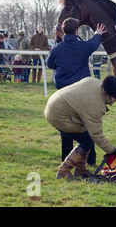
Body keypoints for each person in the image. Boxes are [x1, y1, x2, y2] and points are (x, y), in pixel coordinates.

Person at [44, 76, 116, 179]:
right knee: (87, 142)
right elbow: (96, 134)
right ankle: (63, 171)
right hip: (59, 115)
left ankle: (80, 170)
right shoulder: (96, 104)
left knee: (87, 139)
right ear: (111, 95)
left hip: (54, 105)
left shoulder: (94, 82)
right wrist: (112, 150)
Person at [47, 17, 106, 166]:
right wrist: (98, 33)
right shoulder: (83, 47)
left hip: (64, 92)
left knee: (65, 128)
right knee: (87, 125)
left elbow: (50, 64)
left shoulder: (57, 49)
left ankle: (66, 159)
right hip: (82, 93)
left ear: (63, 30)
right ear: (76, 30)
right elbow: (93, 43)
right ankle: (90, 160)